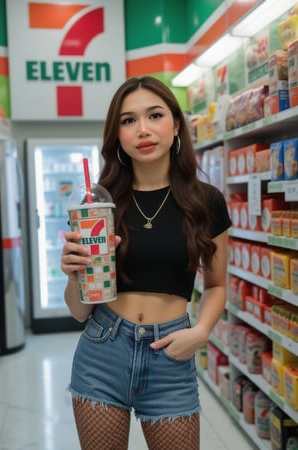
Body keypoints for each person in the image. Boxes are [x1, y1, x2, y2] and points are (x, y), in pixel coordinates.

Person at [61, 76, 232, 450]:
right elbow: (78, 311)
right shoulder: (100, 207)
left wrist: (201, 332)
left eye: (154, 115)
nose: (143, 130)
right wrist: (75, 274)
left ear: (175, 124)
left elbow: (218, 285)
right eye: (128, 120)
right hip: (102, 351)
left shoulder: (207, 202)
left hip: (171, 353)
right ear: (117, 135)